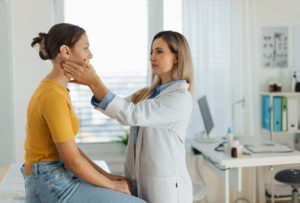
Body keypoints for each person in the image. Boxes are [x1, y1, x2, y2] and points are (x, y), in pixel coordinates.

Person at [62, 30, 194, 203]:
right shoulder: (149, 94)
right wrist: (91, 83)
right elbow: (120, 108)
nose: (152, 57)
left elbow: (130, 114)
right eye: (151, 51)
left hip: (168, 190)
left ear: (177, 57)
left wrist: (94, 81)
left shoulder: (180, 98)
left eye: (159, 51)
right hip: (141, 181)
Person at [21, 23, 146, 203]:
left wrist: (109, 177)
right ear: (66, 51)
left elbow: (72, 152)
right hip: (48, 184)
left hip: (54, 177)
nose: (90, 55)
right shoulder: (53, 96)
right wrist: (112, 186)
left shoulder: (57, 90)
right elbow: (72, 161)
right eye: (85, 47)